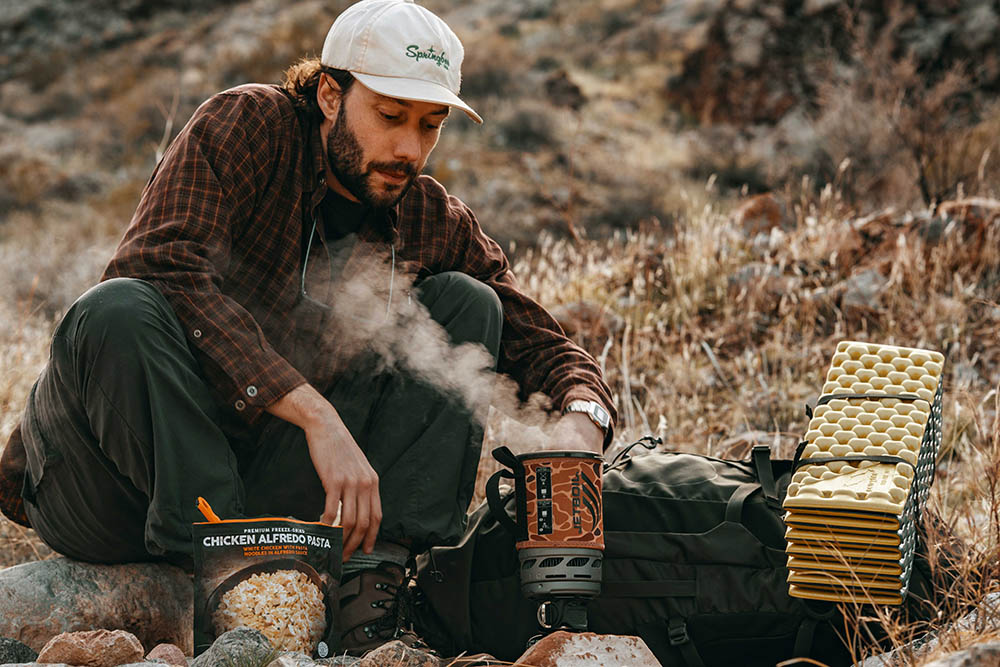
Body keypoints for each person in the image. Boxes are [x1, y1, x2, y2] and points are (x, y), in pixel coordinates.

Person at [0, 0, 615, 653]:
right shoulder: (246, 128)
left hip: (264, 492)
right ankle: (224, 587)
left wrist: (581, 417)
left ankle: (370, 591)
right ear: (329, 93)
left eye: (430, 125)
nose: (409, 149)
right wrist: (316, 415)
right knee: (118, 307)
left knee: (466, 302)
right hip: (110, 482)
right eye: (389, 116)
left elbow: (538, 341)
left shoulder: (426, 215)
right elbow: (161, 264)